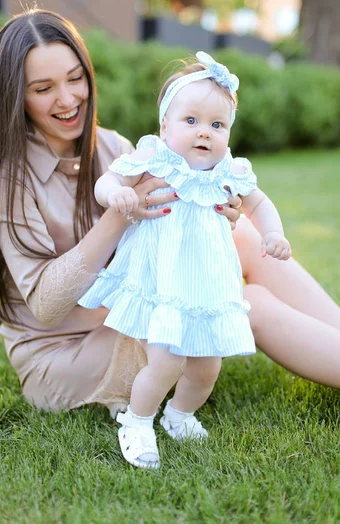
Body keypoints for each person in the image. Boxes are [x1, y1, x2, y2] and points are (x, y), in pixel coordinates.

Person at [0, 8, 340, 437]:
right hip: (68, 352)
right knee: (246, 301)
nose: (67, 100)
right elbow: (47, 307)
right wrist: (120, 214)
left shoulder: (112, 146)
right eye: (43, 88)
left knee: (249, 239)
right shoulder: (11, 181)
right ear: (16, 97)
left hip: (132, 307)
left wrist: (223, 212)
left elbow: (177, 223)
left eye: (75, 78)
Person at [78, 52, 292, 469]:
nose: (204, 133)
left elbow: (259, 203)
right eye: (190, 121)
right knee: (167, 361)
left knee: (207, 367)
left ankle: (180, 415)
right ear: (164, 125)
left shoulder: (230, 170)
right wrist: (114, 194)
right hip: (163, 285)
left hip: (207, 285)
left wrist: (273, 232)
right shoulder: (156, 158)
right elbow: (109, 179)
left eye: (217, 125)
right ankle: (137, 422)